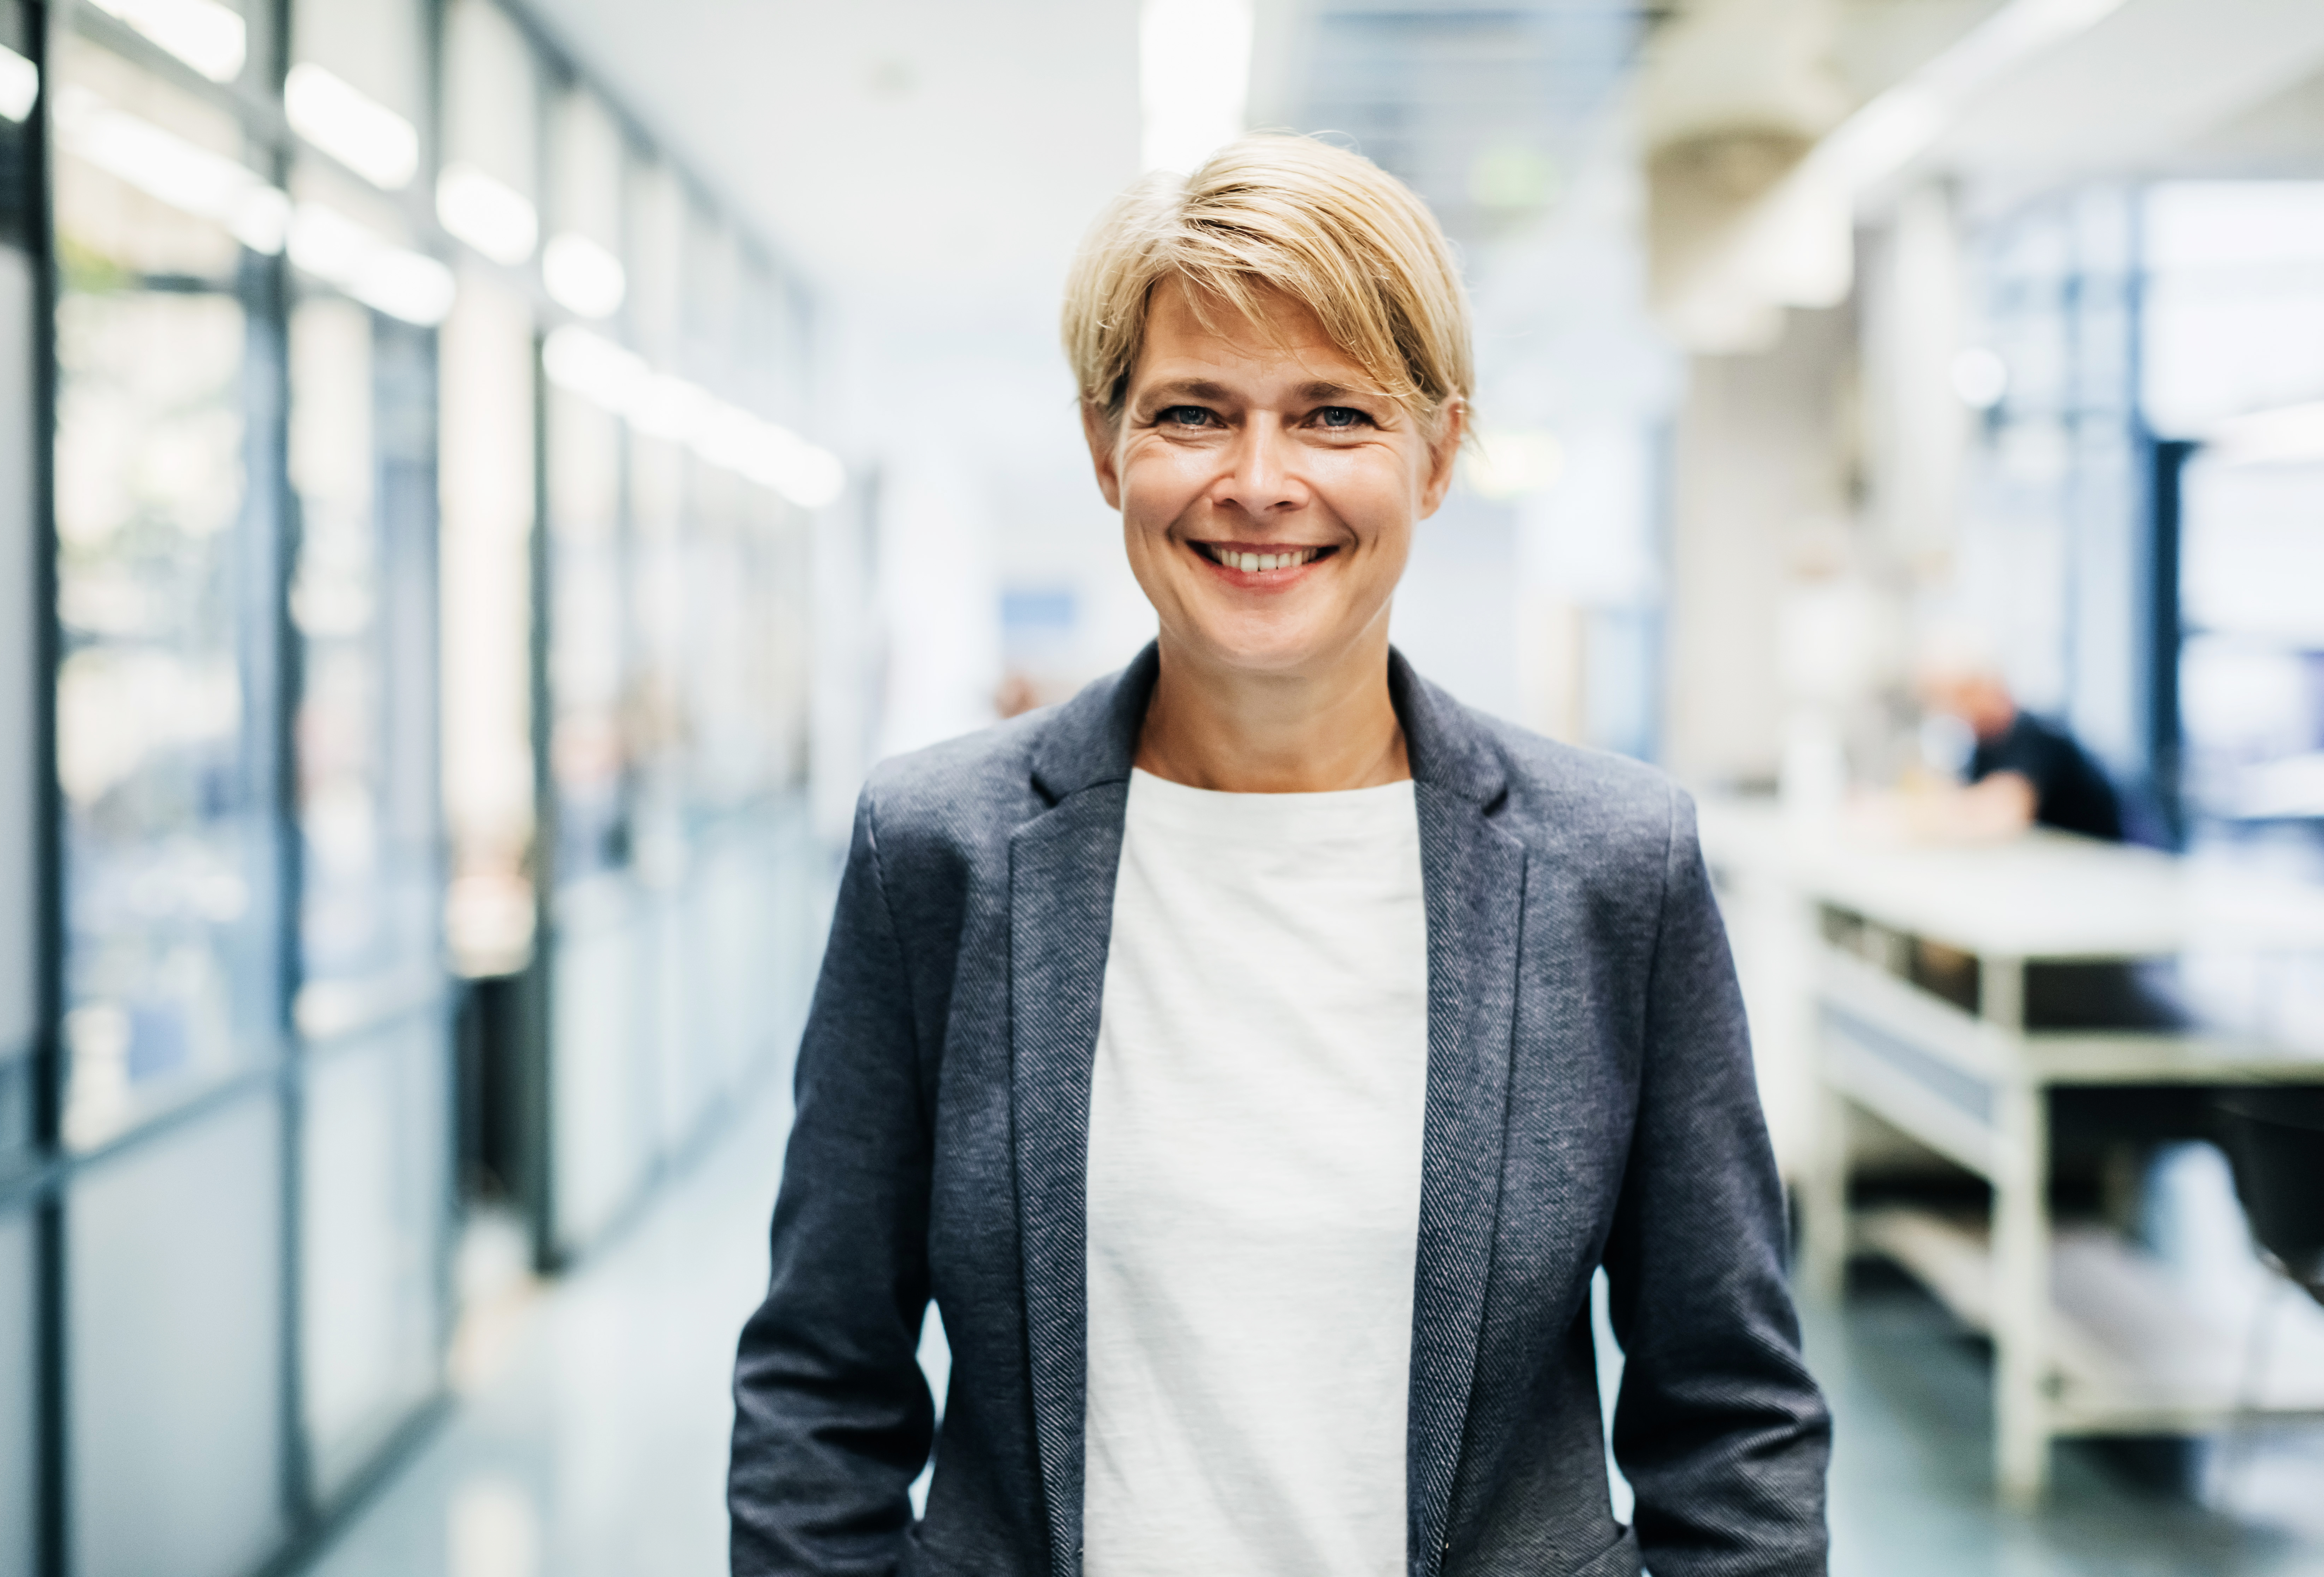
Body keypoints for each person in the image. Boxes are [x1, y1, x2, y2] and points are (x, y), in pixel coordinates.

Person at [729, 134, 1829, 1577]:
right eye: (1194, 411)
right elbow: (823, 1386)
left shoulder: (1610, 869)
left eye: (1333, 416)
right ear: (1102, 442)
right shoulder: (941, 855)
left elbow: (1732, 1416)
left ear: (1438, 451)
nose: (1260, 482)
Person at [1918, 646, 2123, 842]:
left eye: (1961, 695)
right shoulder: (1983, 744)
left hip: (2099, 861)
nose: (1953, 709)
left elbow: (2003, 816)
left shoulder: (2037, 736)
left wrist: (1936, 814)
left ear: (1988, 686)